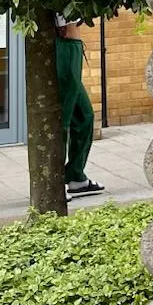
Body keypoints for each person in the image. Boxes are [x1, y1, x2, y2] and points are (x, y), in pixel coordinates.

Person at [55, 15, 104, 201]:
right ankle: (55, 181)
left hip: (71, 46)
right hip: (64, 46)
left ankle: (75, 176)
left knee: (84, 116)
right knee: (63, 121)